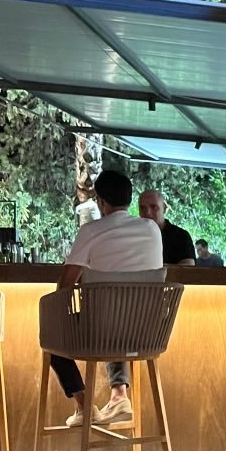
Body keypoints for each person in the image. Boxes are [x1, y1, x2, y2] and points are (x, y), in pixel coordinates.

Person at [50, 170, 163, 427]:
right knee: (118, 313)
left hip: (102, 331)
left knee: (53, 332)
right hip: (148, 333)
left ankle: (84, 405)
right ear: (129, 199)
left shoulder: (91, 230)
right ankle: (119, 396)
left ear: (101, 202)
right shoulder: (152, 229)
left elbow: (66, 283)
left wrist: (59, 312)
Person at [138, 189, 195, 265]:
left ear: (164, 208)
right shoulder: (134, 235)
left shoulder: (181, 236)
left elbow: (189, 266)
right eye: (143, 208)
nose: (147, 213)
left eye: (153, 207)